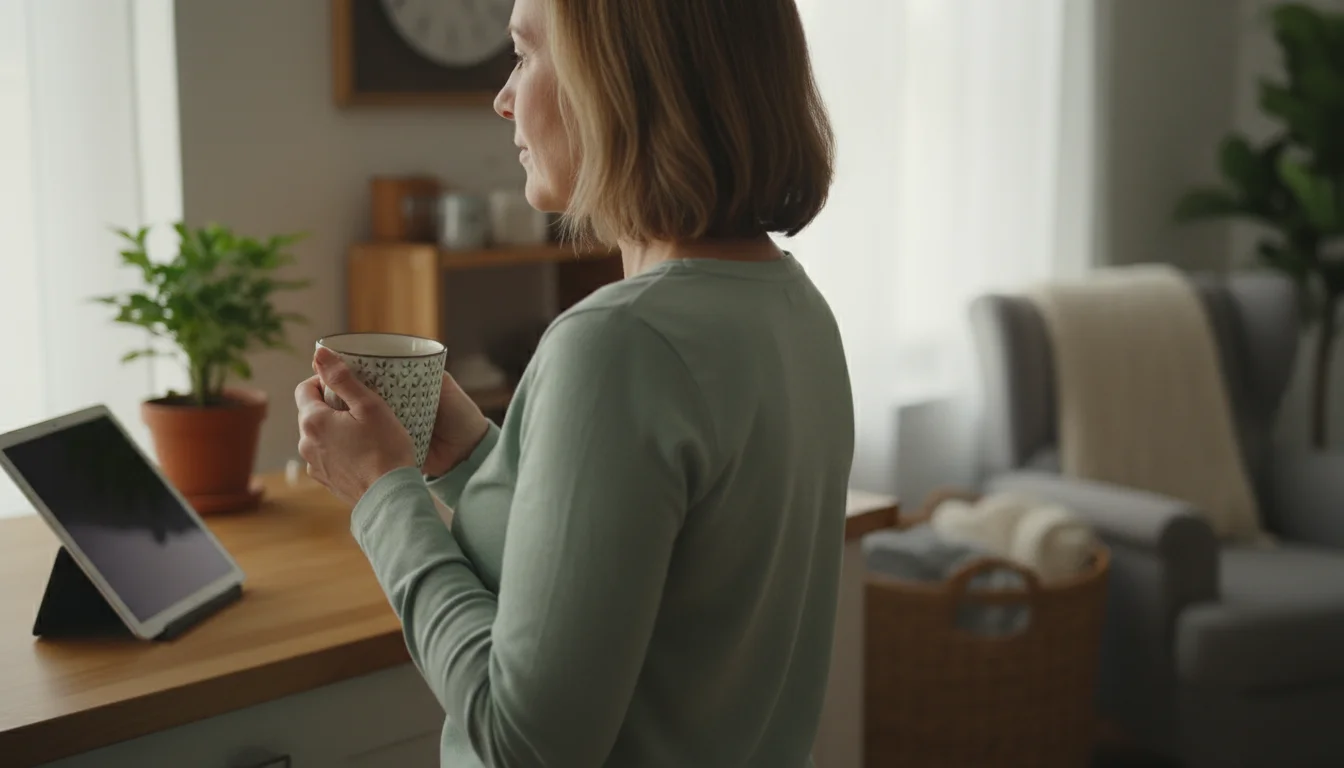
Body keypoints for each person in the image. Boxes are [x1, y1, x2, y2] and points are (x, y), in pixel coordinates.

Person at [294, 0, 853, 764]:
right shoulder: (795, 308)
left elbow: (523, 745)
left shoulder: (617, 344)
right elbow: (653, 568)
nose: (502, 97)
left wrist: (381, 495)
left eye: (525, 54)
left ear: (618, 80)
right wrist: (474, 457)